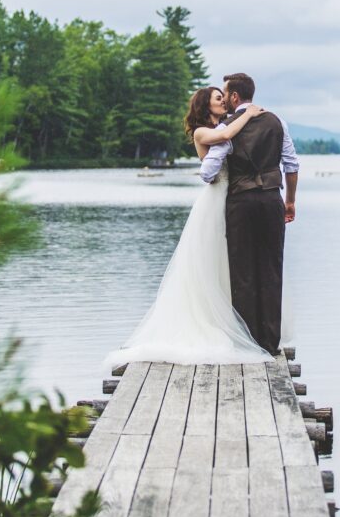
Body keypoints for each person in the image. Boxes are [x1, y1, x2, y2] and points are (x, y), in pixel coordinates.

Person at [103, 86, 272, 370]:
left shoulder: (223, 125)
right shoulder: (202, 132)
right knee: (209, 262)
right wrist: (250, 112)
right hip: (214, 201)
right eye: (218, 99)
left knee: (227, 265)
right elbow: (226, 136)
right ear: (206, 106)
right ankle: (209, 324)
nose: (223, 102)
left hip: (233, 199)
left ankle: (235, 322)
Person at [199, 72, 299, 355]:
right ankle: (269, 342)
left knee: (241, 271)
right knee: (271, 268)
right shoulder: (276, 122)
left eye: (225, 94)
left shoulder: (227, 128)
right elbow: (291, 165)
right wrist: (290, 201)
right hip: (271, 199)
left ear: (233, 97)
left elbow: (208, 171)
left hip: (240, 203)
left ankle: (246, 342)